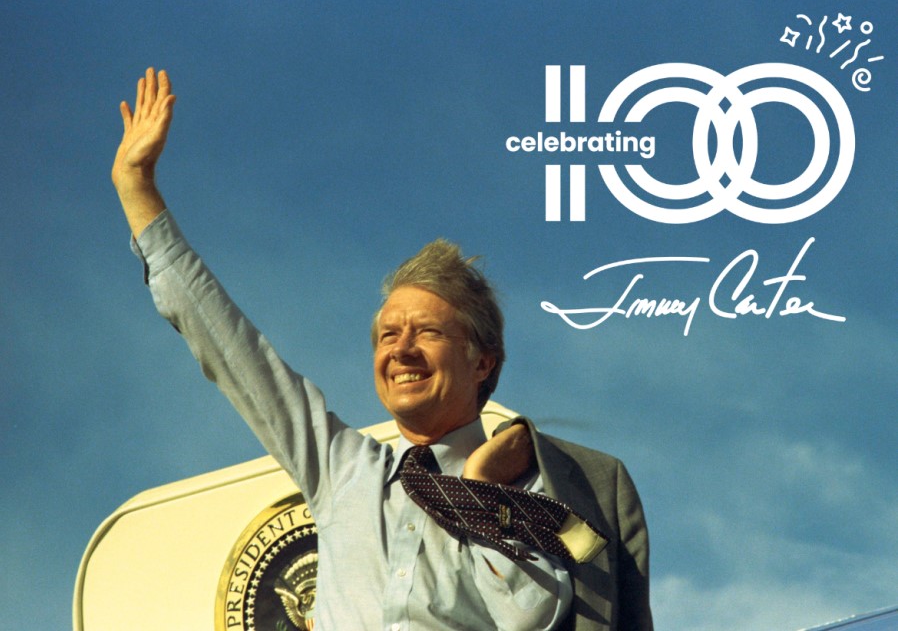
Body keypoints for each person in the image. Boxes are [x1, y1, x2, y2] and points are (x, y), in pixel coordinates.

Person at [112, 67, 653, 630]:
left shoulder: (534, 485)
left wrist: (480, 494)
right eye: (389, 335)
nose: (403, 350)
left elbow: (531, 615)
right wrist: (138, 190)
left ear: (483, 360)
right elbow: (231, 348)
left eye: (429, 332)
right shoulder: (343, 470)